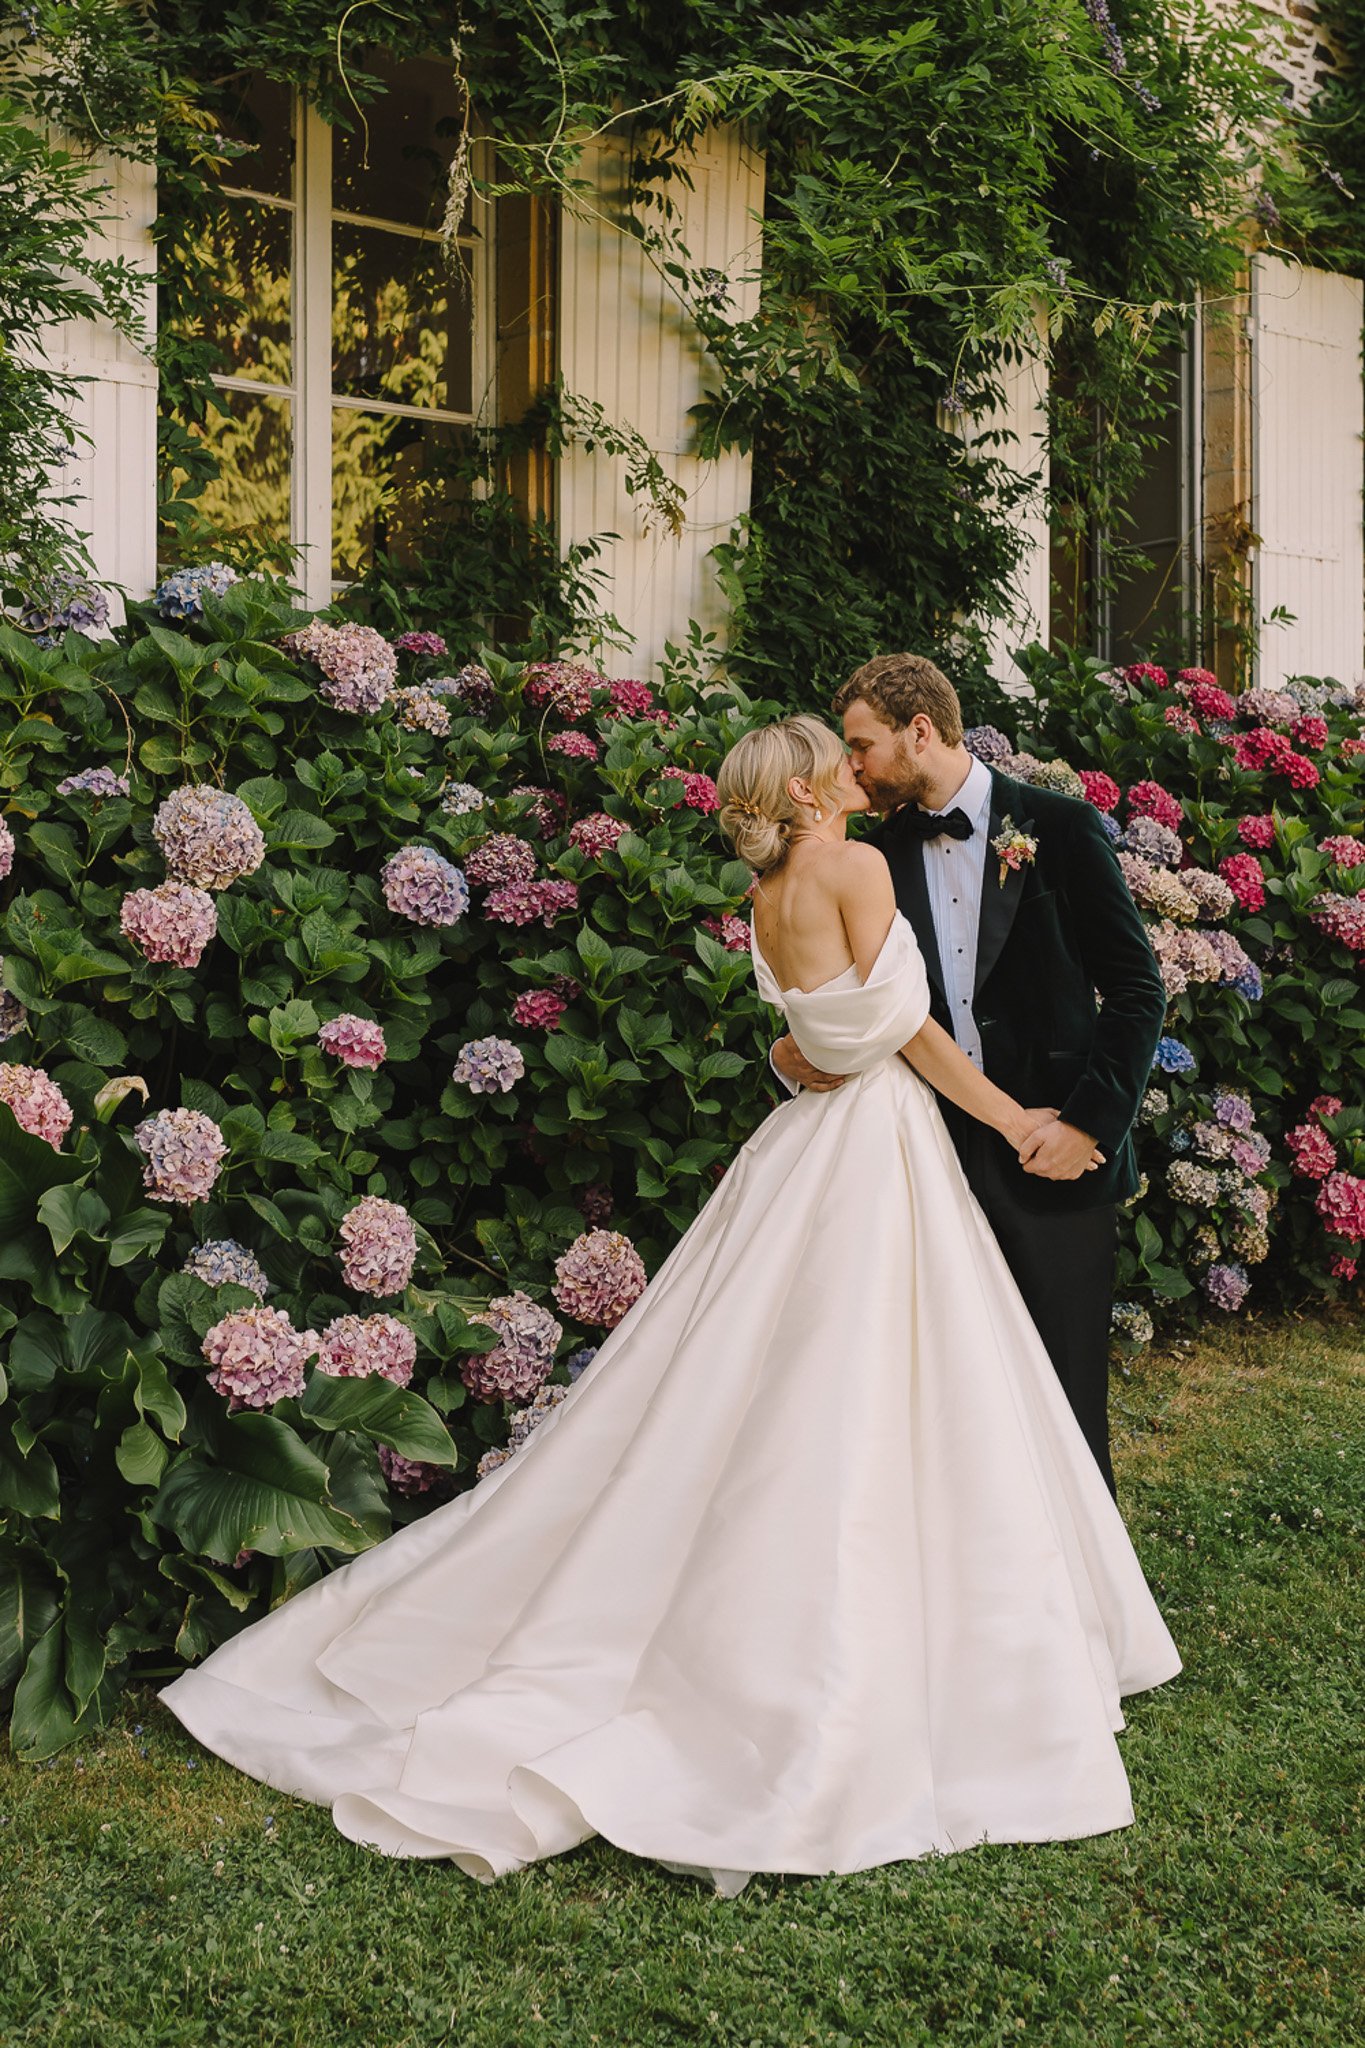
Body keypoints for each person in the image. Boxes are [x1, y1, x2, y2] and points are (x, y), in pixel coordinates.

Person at [159, 713, 1180, 1898]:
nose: (860, 774)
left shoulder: (769, 896)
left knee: (775, 1375)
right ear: (805, 791)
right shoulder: (852, 866)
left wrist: (838, 1062)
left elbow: (810, 1044)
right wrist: (1012, 1120)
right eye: (837, 760)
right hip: (879, 1146)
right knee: (869, 1380)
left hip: (804, 1141)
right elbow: (900, 1035)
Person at [772, 657, 1168, 1494]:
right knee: (945, 1403)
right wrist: (785, 1055)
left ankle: (1084, 1604)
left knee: (1064, 1396)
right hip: (923, 1162)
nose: (853, 766)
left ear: (920, 731)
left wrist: (1088, 1125)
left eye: (862, 745)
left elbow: (1137, 989)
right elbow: (842, 997)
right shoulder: (869, 855)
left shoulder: (1058, 827)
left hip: (1051, 1151)